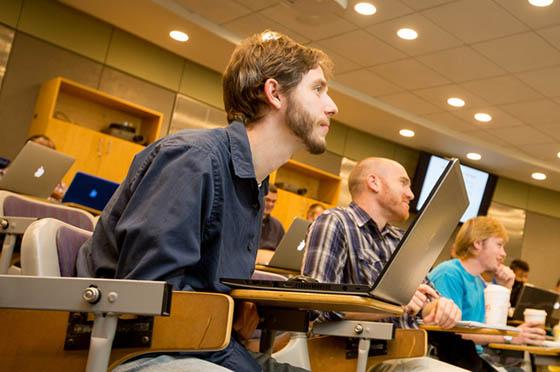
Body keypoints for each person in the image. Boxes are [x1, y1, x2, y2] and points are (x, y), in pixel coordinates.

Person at [76, 30, 338, 372]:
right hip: (136, 349)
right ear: (274, 93)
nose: (332, 106)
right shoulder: (193, 159)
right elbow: (151, 304)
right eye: (318, 89)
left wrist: (235, 314)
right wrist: (227, 317)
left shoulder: (254, 182)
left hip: (201, 345)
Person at [303, 157, 463, 370]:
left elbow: (426, 301)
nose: (411, 194)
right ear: (374, 182)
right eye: (403, 183)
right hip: (357, 357)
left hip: (408, 353)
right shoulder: (334, 222)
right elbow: (314, 306)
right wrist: (393, 304)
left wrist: (441, 307)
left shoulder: (400, 239)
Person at [428, 216, 545, 371]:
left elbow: (493, 328)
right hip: (453, 359)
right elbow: (452, 333)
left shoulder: (480, 282)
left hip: (477, 357)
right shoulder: (449, 274)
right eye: (499, 245)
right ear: (477, 243)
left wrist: (506, 287)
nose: (503, 253)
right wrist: (511, 337)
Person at [0, 134, 67, 201]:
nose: (42, 156)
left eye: (48, 152)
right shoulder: (5, 174)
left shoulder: (59, 184)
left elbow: (68, 203)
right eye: (38, 150)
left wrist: (60, 197)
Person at [256, 185, 285, 265]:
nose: (270, 204)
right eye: (267, 200)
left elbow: (282, 254)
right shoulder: (248, 221)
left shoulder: (278, 226)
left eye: (273, 201)